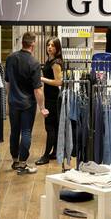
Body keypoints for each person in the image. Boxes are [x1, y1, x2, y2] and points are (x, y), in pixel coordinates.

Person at [5, 32, 48, 175]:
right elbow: (38, 90)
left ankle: (15, 160)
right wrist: (42, 107)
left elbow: (8, 83)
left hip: (13, 102)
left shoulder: (10, 58)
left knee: (14, 132)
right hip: (28, 104)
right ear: (33, 44)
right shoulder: (34, 63)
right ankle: (23, 164)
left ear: (22, 42)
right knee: (26, 132)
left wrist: (8, 99)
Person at [35, 38, 64, 166]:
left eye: (52, 45)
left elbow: (59, 82)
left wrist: (42, 79)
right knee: (54, 126)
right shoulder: (50, 60)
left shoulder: (56, 63)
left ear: (57, 48)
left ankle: (46, 155)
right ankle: (54, 152)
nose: (49, 47)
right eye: (48, 45)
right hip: (50, 97)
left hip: (53, 98)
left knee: (50, 127)